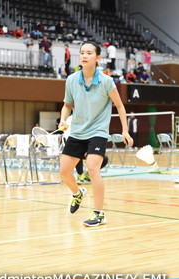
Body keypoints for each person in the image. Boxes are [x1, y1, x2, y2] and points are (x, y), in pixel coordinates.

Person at [58, 42, 133, 227]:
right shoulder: (72, 80)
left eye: (89, 53)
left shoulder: (106, 82)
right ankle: (77, 193)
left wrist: (125, 130)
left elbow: (120, 106)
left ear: (98, 58)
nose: (84, 56)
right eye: (82, 53)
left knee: (92, 168)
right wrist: (63, 119)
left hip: (98, 131)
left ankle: (99, 214)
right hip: (77, 131)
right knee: (64, 172)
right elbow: (67, 105)